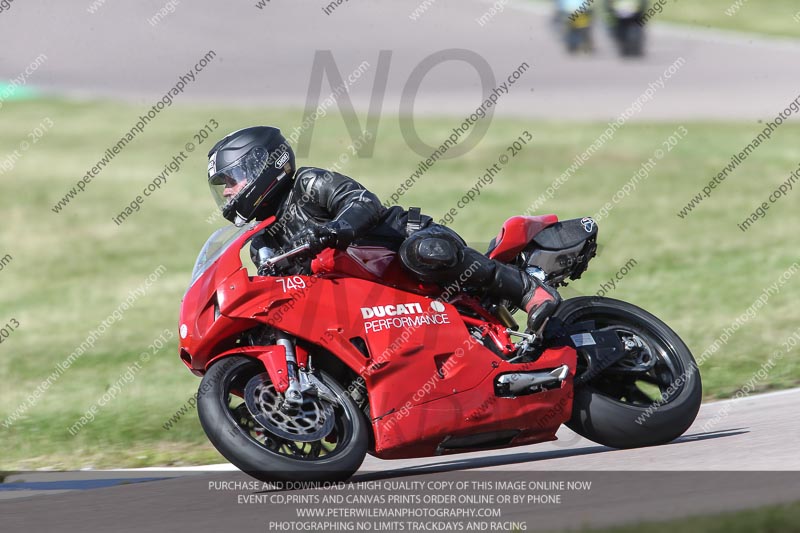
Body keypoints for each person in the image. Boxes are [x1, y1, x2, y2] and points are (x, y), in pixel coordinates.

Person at [206, 126, 560, 337]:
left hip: (404, 244)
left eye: (231, 181)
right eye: (222, 186)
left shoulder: (309, 183)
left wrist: (336, 228)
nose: (227, 193)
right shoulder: (262, 242)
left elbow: (363, 201)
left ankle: (529, 291)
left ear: (264, 165)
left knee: (424, 252)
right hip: (371, 302)